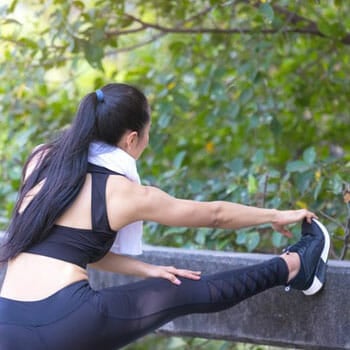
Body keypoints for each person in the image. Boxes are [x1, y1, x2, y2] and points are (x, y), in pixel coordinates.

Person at [0, 83, 330, 350]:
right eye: (146, 136)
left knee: (168, 281)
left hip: (7, 321)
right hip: (68, 320)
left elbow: (68, 248)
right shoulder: (123, 193)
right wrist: (276, 214)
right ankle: (297, 265)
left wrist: (147, 269)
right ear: (131, 139)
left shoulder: (42, 159)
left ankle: (297, 268)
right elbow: (214, 214)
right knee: (187, 291)